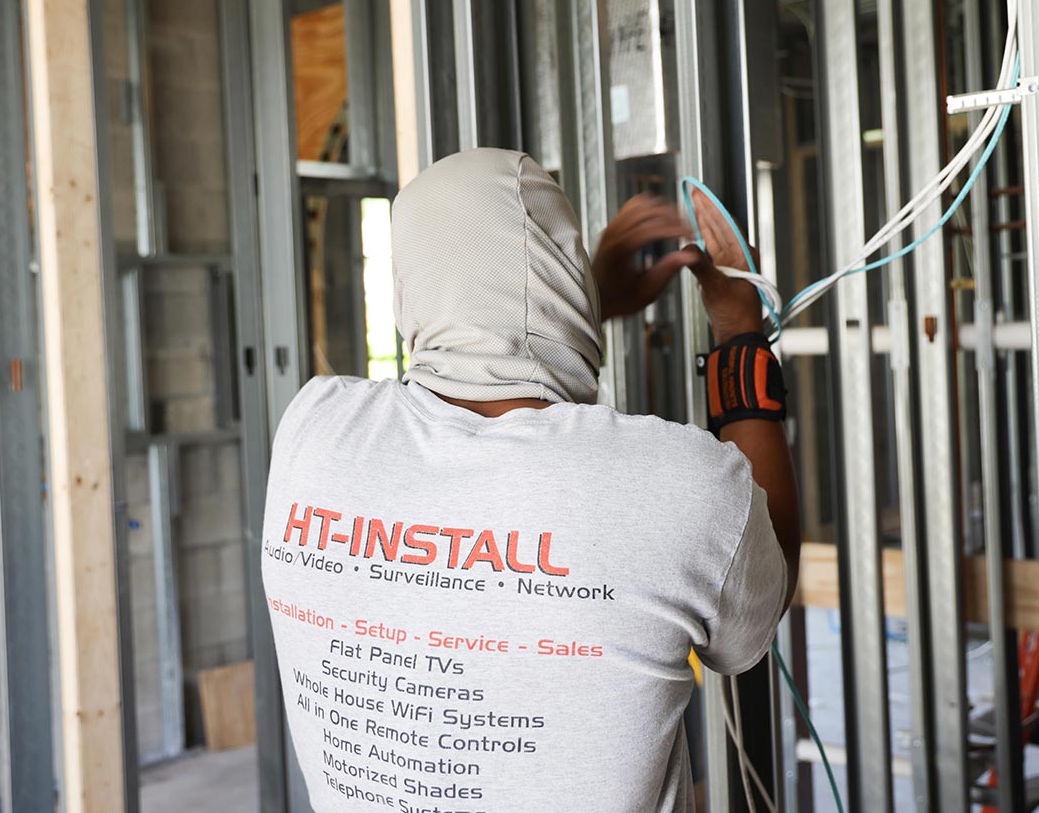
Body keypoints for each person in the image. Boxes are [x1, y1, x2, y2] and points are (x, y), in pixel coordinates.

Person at [261, 147, 798, 812]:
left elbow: (484, 383)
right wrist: (739, 335)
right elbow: (758, 613)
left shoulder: (314, 431)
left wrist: (572, 313)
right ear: (567, 277)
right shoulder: (677, 483)